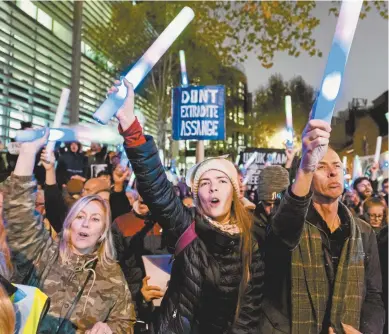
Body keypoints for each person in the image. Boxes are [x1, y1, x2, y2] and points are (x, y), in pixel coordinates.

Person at [109, 79, 264, 333]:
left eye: (222, 181)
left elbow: (248, 315)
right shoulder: (186, 226)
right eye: (205, 183)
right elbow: (156, 187)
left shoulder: (251, 243)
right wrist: (130, 125)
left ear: (234, 192)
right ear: (197, 194)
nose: (213, 187)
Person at [260, 115, 385, 334]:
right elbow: (283, 232)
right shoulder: (292, 226)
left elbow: (374, 295)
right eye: (321, 166)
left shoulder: (363, 232)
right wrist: (306, 168)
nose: (333, 171)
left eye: (337, 166)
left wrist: (366, 331)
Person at [2, 131, 136, 333]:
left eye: (95, 219)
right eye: (80, 217)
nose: (86, 224)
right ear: (69, 224)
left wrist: (110, 329)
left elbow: (125, 322)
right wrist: (28, 153)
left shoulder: (112, 275)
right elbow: (18, 211)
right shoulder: (42, 253)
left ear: (102, 231)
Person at [253, 165, 290, 244]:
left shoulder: (298, 219)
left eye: (278, 203)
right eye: (268, 204)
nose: (273, 210)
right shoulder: (249, 224)